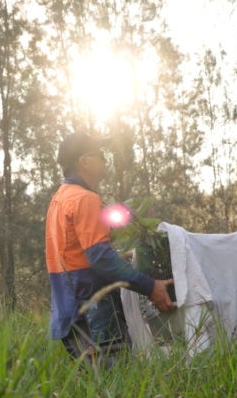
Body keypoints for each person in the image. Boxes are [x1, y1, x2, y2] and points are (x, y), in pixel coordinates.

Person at [45, 131, 174, 364]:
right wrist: (150, 286)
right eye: (100, 154)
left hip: (70, 309)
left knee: (96, 390)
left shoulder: (60, 198)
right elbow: (100, 259)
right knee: (116, 382)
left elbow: (77, 254)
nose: (105, 159)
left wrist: (119, 254)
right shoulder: (85, 199)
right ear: (85, 162)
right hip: (96, 310)